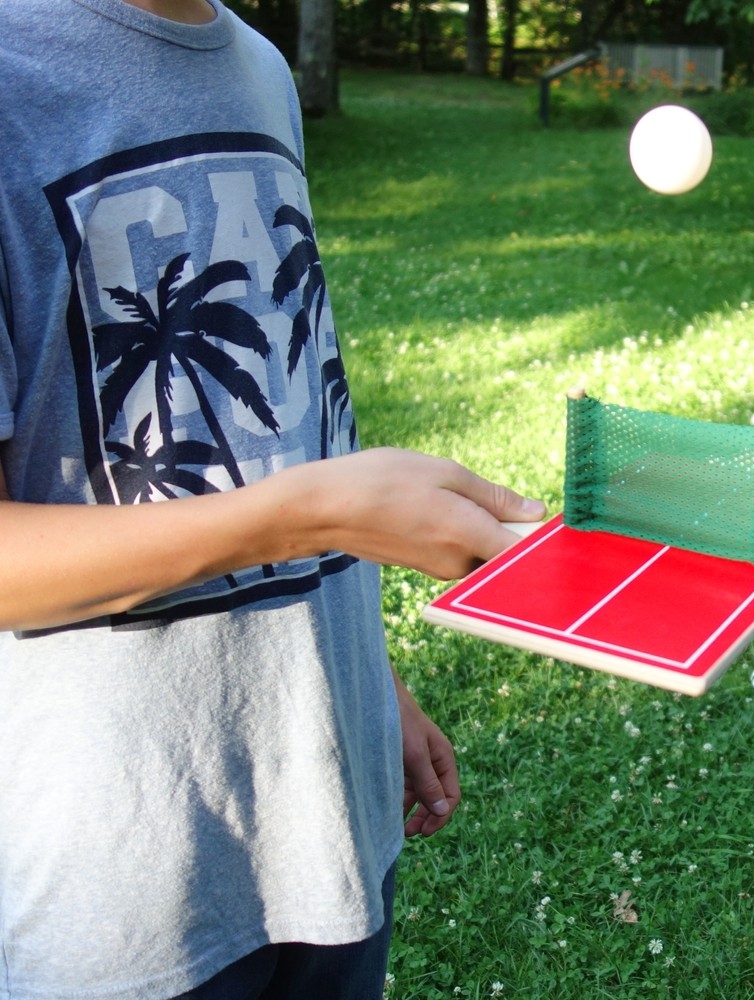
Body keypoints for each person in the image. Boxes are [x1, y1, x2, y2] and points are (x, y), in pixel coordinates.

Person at [0, 1, 545, 996]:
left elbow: (285, 406)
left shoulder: (256, 66)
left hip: (329, 818)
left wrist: (368, 683)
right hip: (124, 895)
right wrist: (304, 515)